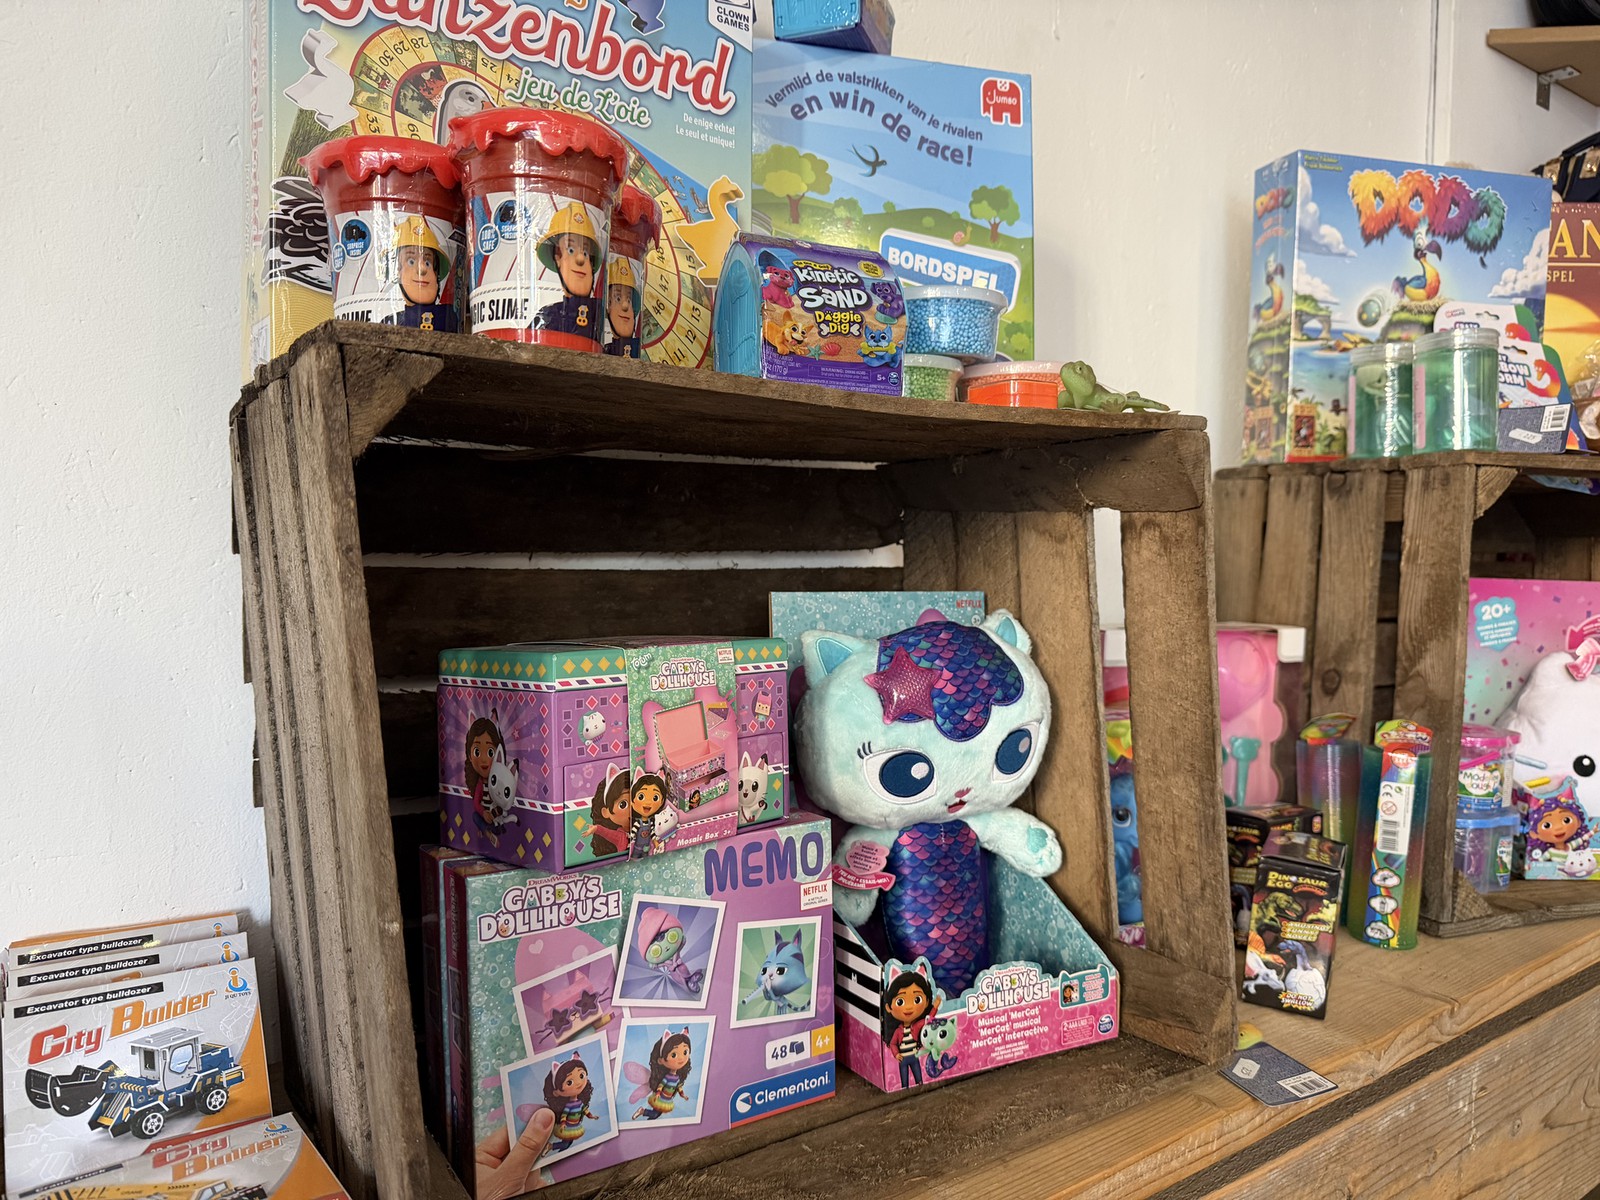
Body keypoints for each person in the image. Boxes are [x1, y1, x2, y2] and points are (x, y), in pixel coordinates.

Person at [535, 203, 603, 343]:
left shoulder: (601, 313)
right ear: (557, 258)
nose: (580, 259)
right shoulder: (549, 314)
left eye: (586, 253)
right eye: (570, 250)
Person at [382, 215, 458, 332]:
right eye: (411, 261)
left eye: (428, 262)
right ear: (397, 272)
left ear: (436, 273)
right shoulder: (390, 322)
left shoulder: (448, 316)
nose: (422, 268)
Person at [603, 257, 642, 358]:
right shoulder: (605, 351)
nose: (625, 306)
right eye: (618, 298)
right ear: (608, 306)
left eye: (629, 300)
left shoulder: (641, 352)